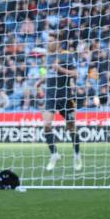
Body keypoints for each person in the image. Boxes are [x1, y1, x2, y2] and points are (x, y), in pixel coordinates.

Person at [38, 32, 81, 171]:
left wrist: (61, 69)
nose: (48, 43)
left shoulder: (67, 55)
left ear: (57, 42)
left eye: (50, 41)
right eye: (47, 41)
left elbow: (76, 74)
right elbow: (51, 74)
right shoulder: (48, 57)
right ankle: (54, 154)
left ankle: (77, 155)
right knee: (46, 125)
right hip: (51, 96)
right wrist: (40, 82)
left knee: (71, 128)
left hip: (66, 96)